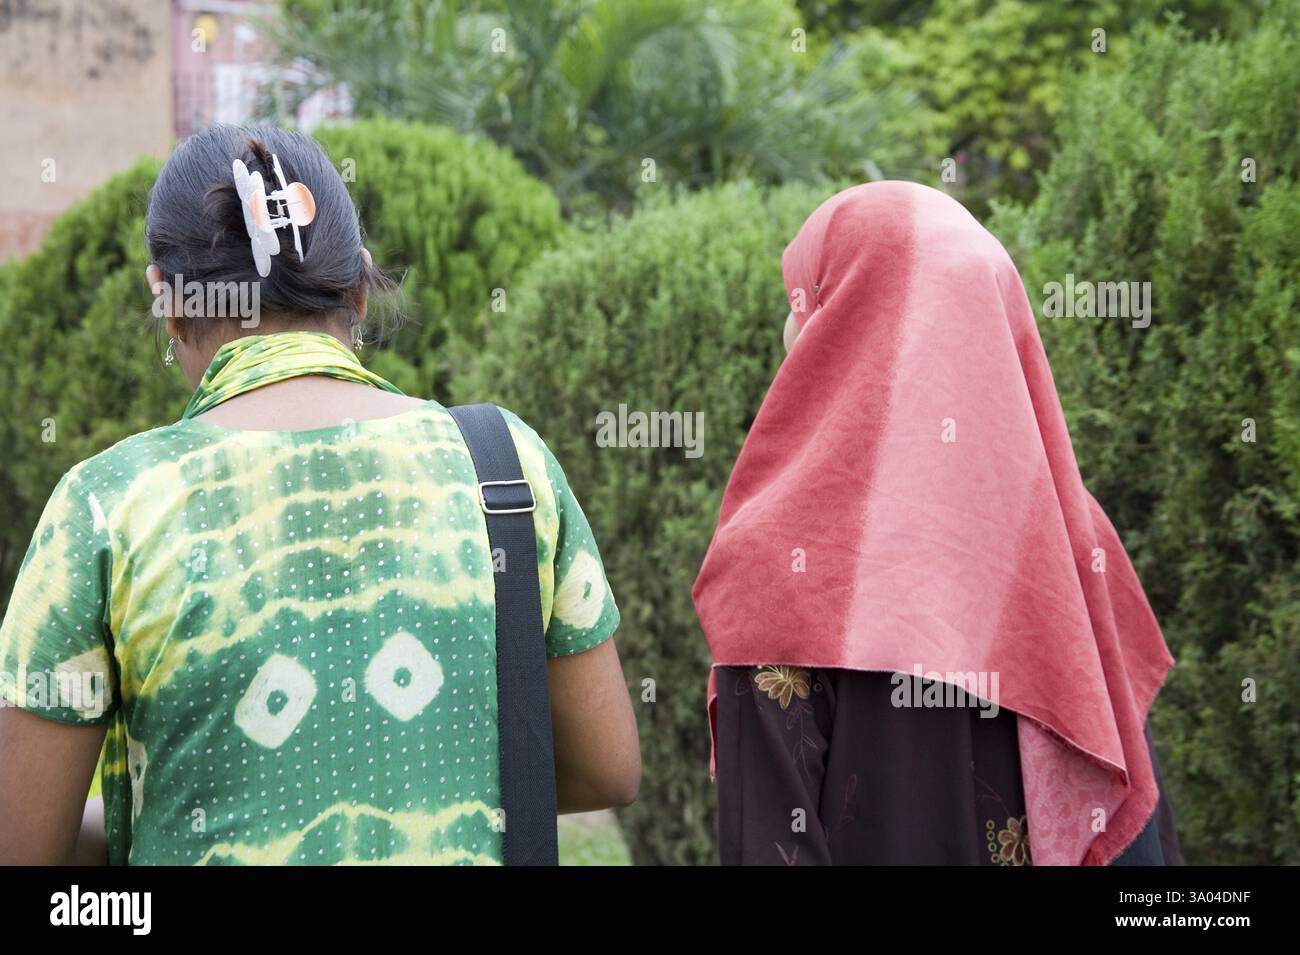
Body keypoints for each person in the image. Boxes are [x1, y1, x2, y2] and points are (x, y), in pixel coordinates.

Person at [0, 124, 639, 865]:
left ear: (167, 304)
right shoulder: (504, 465)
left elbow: (23, 847)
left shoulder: (108, 508)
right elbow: (607, 764)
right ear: (361, 289)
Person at [693, 181, 1182, 866]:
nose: (788, 327)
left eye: (801, 298)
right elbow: (1133, 814)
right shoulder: (1075, 538)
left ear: (838, 322)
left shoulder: (779, 557)